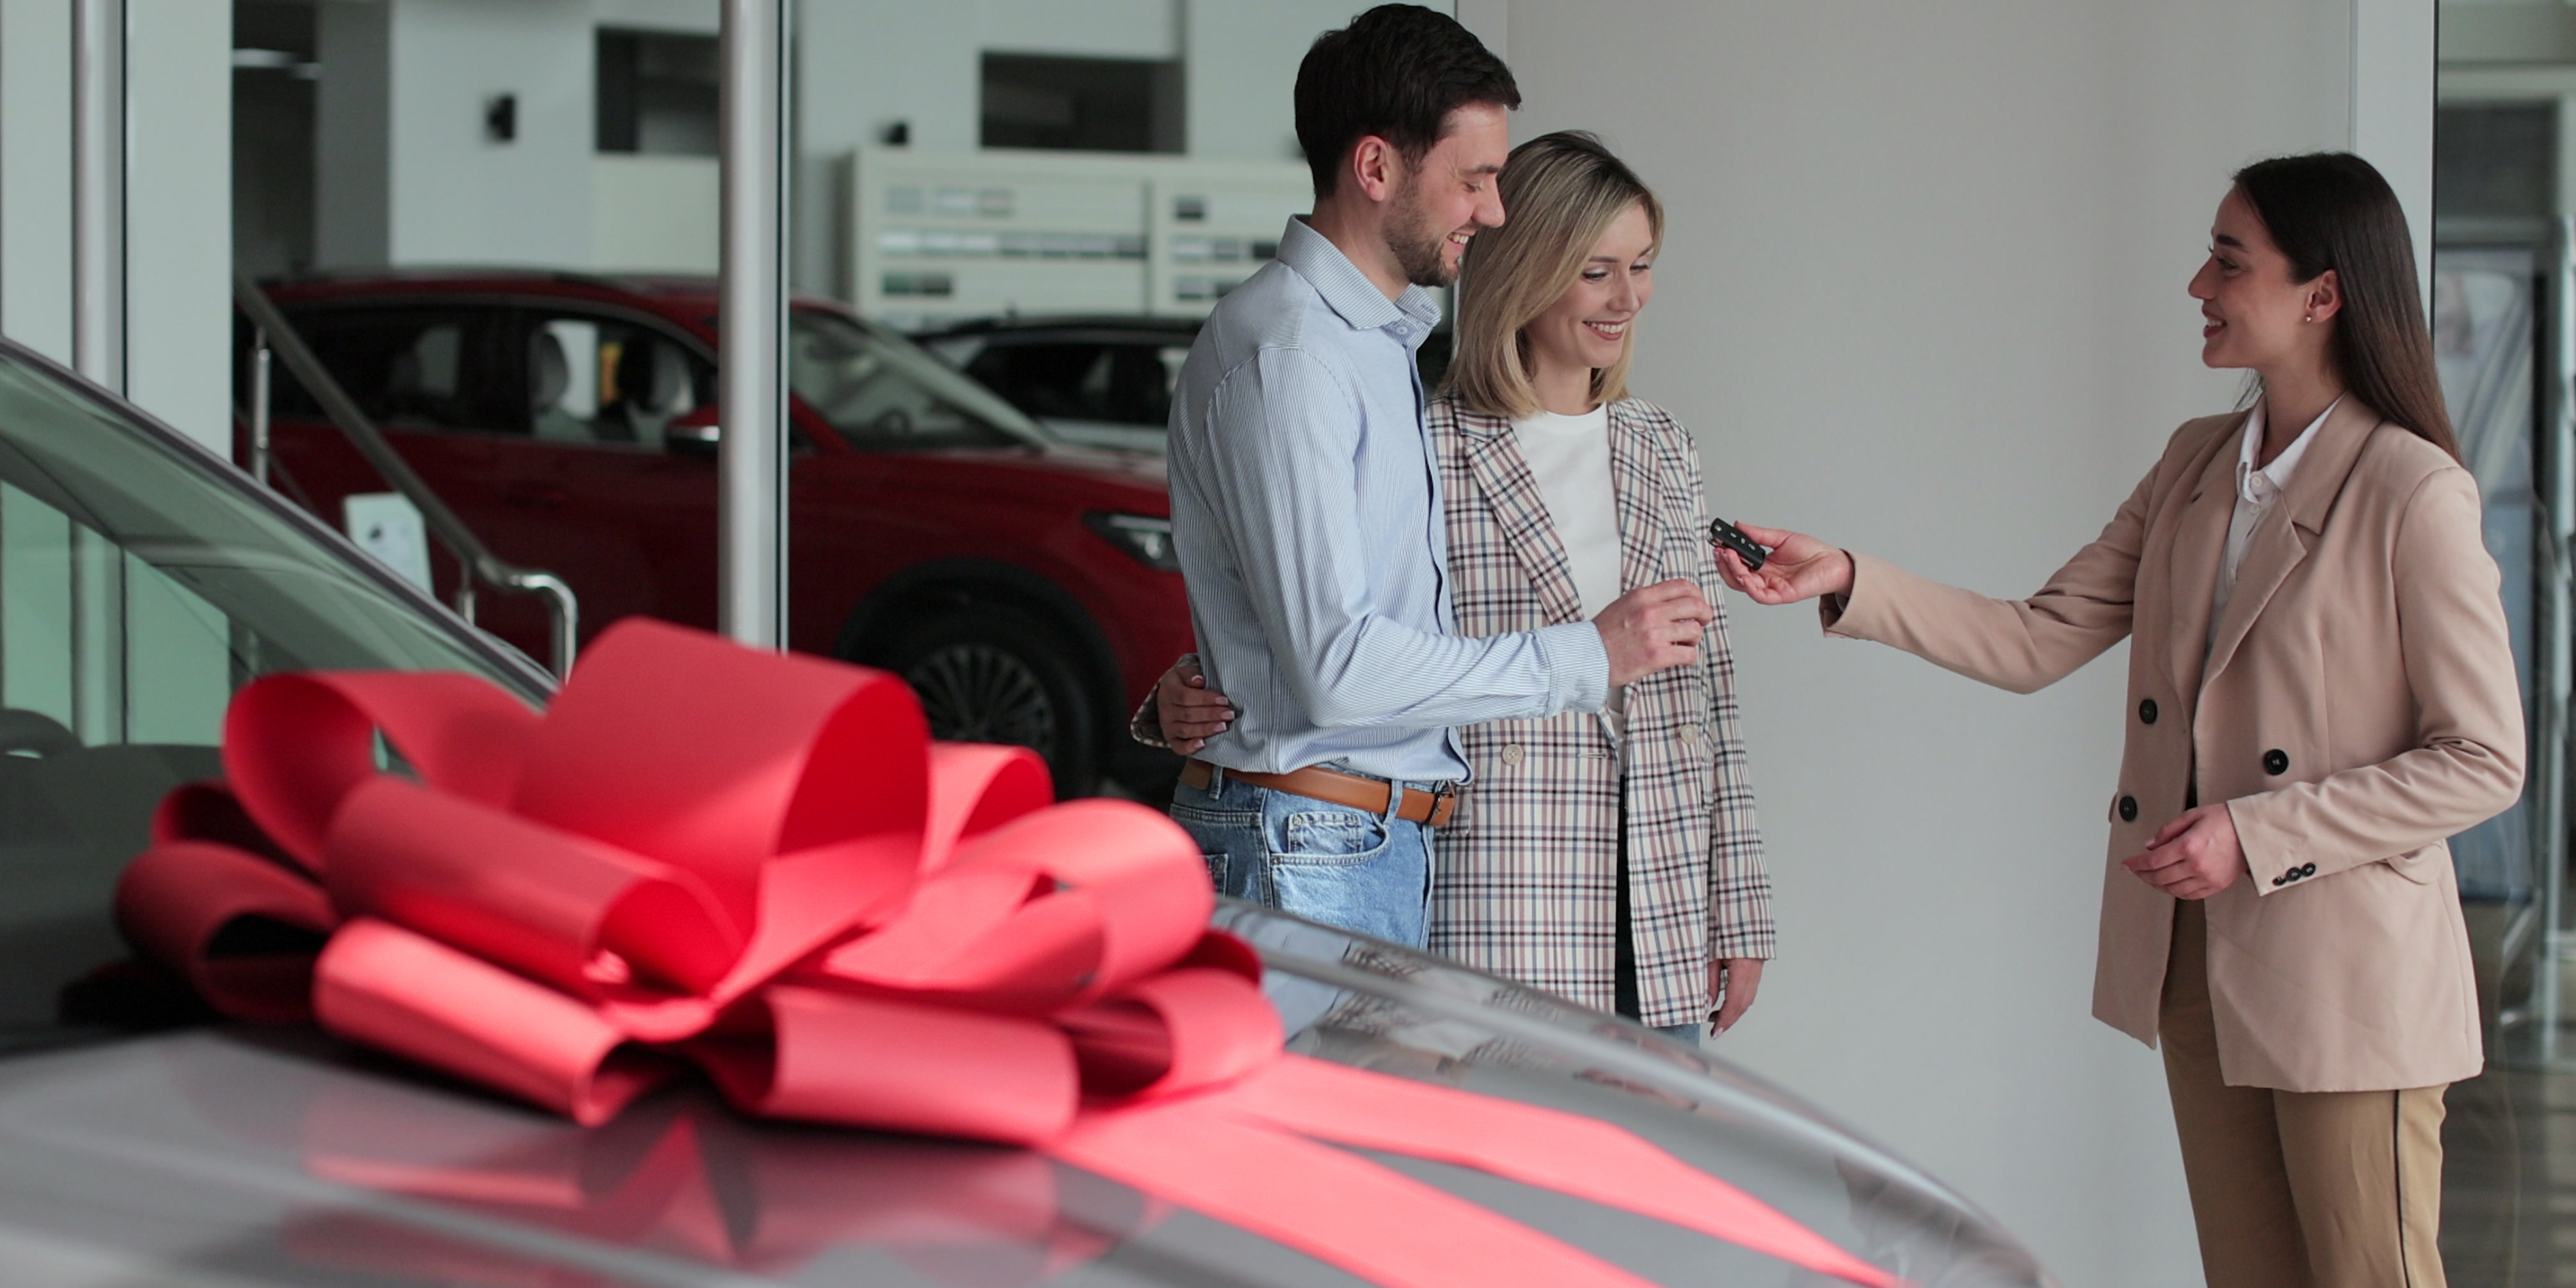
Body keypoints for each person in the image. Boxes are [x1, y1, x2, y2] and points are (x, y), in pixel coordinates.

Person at [1717, 153, 2519, 1288]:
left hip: (2352, 982)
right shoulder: (2195, 463)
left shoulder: (2411, 489)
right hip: (2198, 964)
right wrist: (1849, 575)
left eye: (2229, 261)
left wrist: (2254, 830)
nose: (2199, 282)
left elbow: (2484, 761)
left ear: (2323, 294)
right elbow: (2040, 634)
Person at [1154, 133, 1772, 1042]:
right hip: (1505, 901)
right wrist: (1181, 696)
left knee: (1647, 1182)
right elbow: (1331, 625)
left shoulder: (1661, 445)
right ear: (1527, 268)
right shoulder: (1427, 438)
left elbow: (1709, 692)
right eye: (1597, 270)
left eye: (1641, 267)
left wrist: (1740, 907)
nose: (1629, 298)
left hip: (1666, 907)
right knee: (1503, 1180)